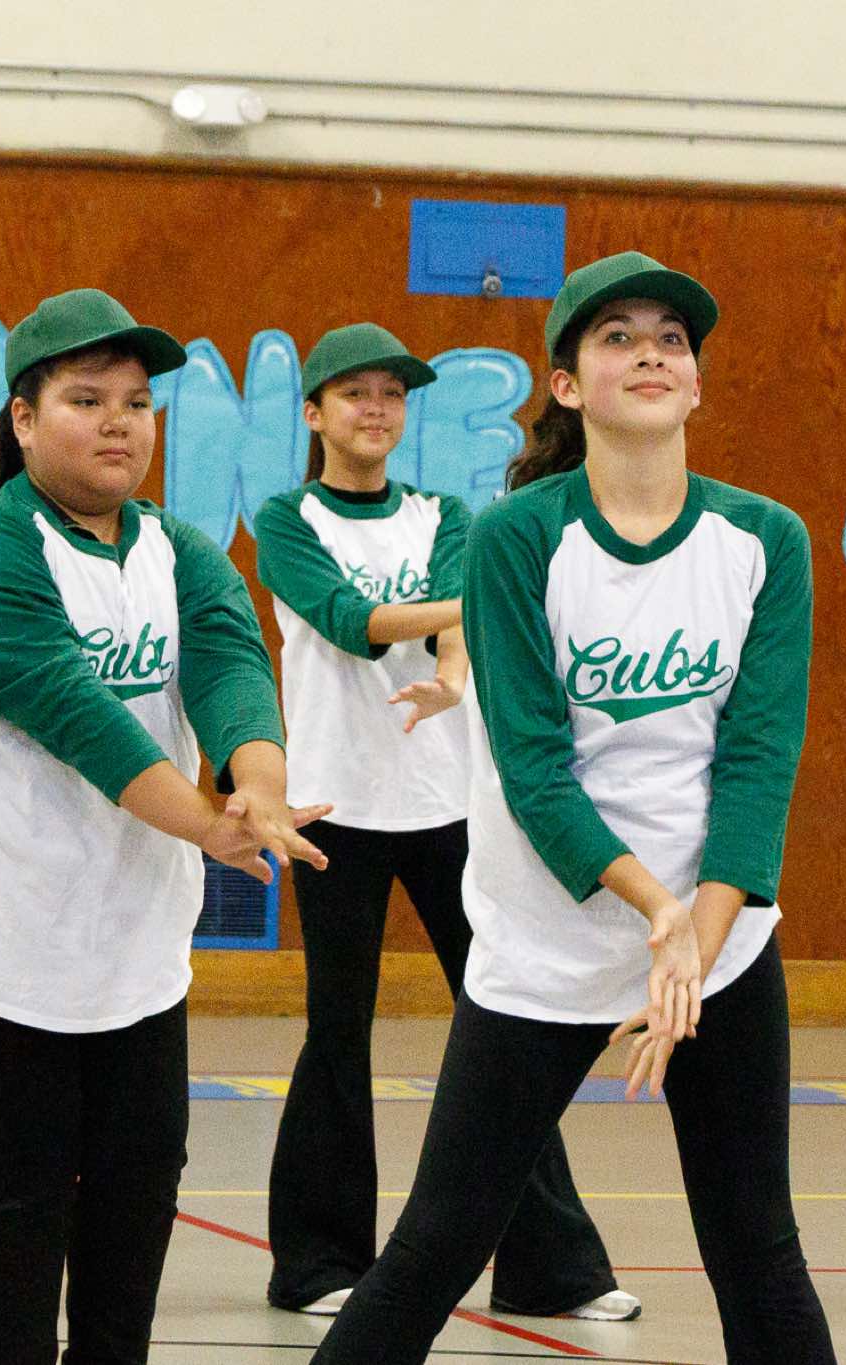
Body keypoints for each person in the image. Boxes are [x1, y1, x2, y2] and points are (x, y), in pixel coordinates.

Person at [313, 252, 838, 1363]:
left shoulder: (765, 541)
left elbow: (758, 763)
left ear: (695, 383)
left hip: (713, 944)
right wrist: (655, 911)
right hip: (548, 938)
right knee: (438, 1245)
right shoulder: (516, 539)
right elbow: (535, 772)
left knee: (758, 1246)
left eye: (671, 339)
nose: (650, 353)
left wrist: (696, 942)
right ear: (566, 385)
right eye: (617, 337)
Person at [0, 287, 327, 1363]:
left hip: (128, 935)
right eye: (86, 400)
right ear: (24, 419)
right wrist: (210, 826)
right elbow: (82, 721)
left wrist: (259, 785)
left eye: (135, 402)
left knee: (138, 1184)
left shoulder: (179, 549)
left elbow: (230, 667)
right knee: (22, 1187)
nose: (119, 422)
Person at [256, 323, 632, 1320]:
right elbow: (348, 621)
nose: (375, 410)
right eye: (355, 394)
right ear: (314, 412)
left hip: (447, 806)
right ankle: (317, 1264)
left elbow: (461, 628)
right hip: (334, 809)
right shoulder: (287, 519)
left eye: (391, 394)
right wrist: (457, 614)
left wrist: (453, 677)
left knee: (507, 1021)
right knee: (338, 1029)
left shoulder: (444, 515)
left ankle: (550, 1267)